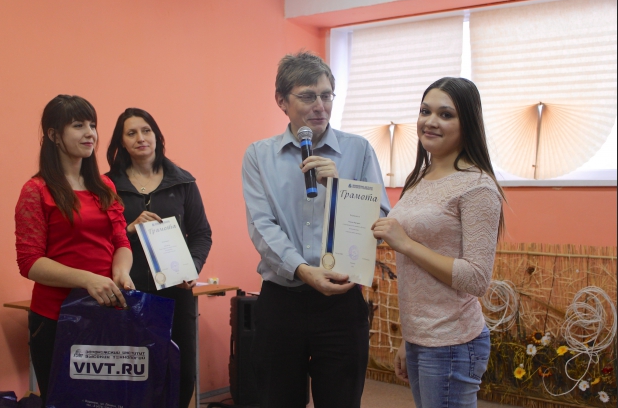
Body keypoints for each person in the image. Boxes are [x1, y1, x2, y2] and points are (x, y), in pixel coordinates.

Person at [242, 51, 391, 408]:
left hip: (342, 299)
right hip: (282, 300)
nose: (320, 106)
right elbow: (262, 226)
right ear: (282, 100)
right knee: (278, 400)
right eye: (308, 96)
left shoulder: (359, 150)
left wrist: (340, 189)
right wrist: (303, 271)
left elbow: (379, 220)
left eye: (326, 95)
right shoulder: (258, 156)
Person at [372, 77, 505, 408]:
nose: (430, 121)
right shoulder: (419, 178)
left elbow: (476, 278)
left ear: (467, 123)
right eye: (425, 111)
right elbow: (418, 279)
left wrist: (406, 244)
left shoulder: (477, 187)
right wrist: (409, 339)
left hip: (453, 341)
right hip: (422, 337)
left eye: (446, 114)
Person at [15, 95, 134, 406]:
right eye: (78, 125)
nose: (90, 133)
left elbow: (121, 241)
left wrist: (121, 273)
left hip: (106, 312)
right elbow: (30, 262)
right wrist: (88, 279)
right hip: (56, 318)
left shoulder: (104, 186)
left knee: (109, 401)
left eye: (92, 125)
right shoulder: (36, 190)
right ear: (54, 135)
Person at [106, 107, 212, 408]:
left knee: (181, 372)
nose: (141, 138)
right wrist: (128, 229)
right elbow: (98, 239)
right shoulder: (106, 186)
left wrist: (193, 267)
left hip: (176, 294)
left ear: (157, 136)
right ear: (122, 142)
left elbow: (201, 234)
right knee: (133, 374)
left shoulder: (183, 182)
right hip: (127, 294)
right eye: (131, 133)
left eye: (146, 130)